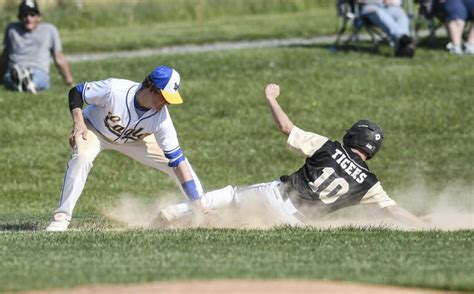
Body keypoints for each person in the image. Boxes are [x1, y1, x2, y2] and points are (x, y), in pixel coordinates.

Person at [158, 84, 429, 229]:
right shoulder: (370, 183)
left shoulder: (329, 147)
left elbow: (286, 128)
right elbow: (393, 210)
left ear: (353, 138)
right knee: (243, 223)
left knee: (230, 194)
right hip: (293, 223)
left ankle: (177, 213)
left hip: (275, 196)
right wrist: (421, 225)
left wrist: (271, 98)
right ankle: (200, 224)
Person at [45, 65, 204, 231]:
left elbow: (178, 162)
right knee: (82, 158)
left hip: (136, 141)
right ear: (151, 87)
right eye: (164, 97)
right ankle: (61, 219)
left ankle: (200, 208)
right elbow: (77, 92)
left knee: (178, 164)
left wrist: (197, 202)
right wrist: (78, 122)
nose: (166, 103)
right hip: (95, 129)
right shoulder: (114, 90)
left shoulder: (161, 119)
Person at [0, 0, 74, 94]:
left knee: (38, 77)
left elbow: (59, 58)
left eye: (32, 14)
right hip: (15, 69)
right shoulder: (12, 29)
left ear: (39, 17)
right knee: (9, 77)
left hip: (38, 70)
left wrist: (69, 81)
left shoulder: (49, 30)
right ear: (19, 17)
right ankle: (24, 82)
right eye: (25, 15)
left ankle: (25, 81)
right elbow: (5, 56)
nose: (28, 18)